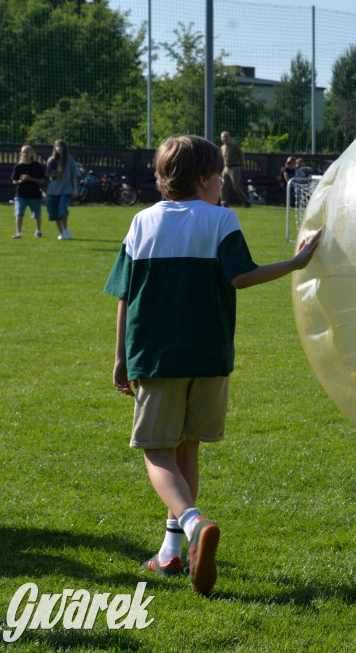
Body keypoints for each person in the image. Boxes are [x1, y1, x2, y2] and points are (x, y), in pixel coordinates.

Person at [104, 135, 322, 596]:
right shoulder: (222, 219)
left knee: (156, 450)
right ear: (204, 179)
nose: (222, 183)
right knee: (187, 448)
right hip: (210, 358)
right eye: (219, 175)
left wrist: (121, 356)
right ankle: (171, 553)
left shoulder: (141, 222)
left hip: (157, 358)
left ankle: (191, 522)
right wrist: (297, 262)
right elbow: (242, 277)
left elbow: (125, 294)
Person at [45, 139, 80, 240]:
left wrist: (75, 189)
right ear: (55, 148)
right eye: (57, 146)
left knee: (63, 209)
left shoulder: (70, 161)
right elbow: (48, 175)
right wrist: (53, 174)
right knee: (54, 211)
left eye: (61, 146)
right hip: (53, 189)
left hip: (66, 188)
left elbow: (74, 176)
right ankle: (60, 232)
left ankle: (65, 229)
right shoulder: (51, 160)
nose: (59, 148)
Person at [10, 145, 45, 239]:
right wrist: (21, 181)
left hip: (34, 194)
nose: (24, 154)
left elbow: (41, 180)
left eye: (27, 152)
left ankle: (38, 231)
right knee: (19, 213)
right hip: (21, 194)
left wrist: (30, 178)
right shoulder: (18, 167)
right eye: (23, 152)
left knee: (37, 215)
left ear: (32, 154)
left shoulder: (36, 166)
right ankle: (18, 233)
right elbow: (14, 181)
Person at [219, 131, 251, 208]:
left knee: (236, 187)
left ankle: (246, 202)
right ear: (221, 138)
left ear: (229, 137)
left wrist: (240, 165)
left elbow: (242, 156)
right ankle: (224, 203)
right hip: (226, 168)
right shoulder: (222, 147)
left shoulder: (234, 146)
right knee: (223, 186)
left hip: (235, 167)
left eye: (226, 136)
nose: (225, 138)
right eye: (223, 137)